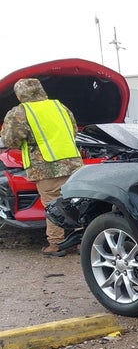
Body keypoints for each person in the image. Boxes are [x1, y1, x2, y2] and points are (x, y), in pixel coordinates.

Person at [1, 78, 83, 256]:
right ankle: (81, 241)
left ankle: (57, 244)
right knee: (76, 201)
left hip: (47, 166)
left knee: (52, 204)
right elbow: (74, 129)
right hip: (74, 162)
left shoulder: (20, 112)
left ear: (19, 94)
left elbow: (10, 140)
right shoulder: (59, 106)